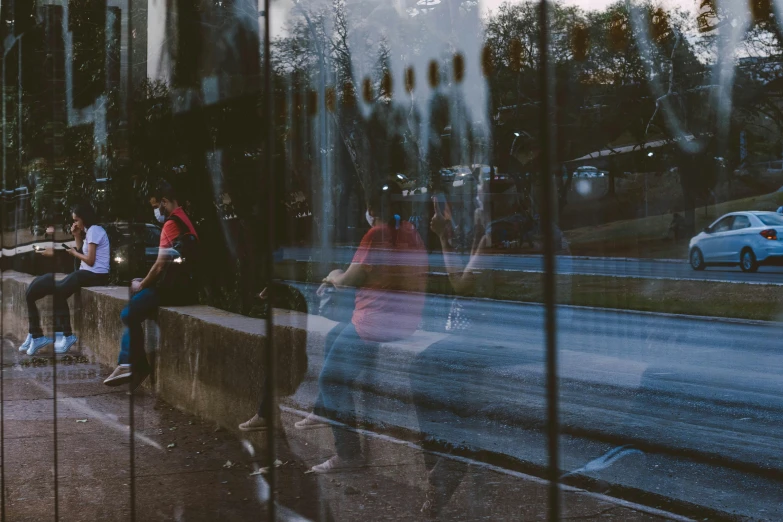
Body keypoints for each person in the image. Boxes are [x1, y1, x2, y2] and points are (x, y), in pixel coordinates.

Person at [308, 179, 428, 474]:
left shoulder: (377, 233)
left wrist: (331, 275)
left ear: (372, 209)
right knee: (334, 336)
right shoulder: (410, 233)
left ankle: (348, 455)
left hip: (376, 323)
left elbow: (350, 279)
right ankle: (323, 409)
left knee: (331, 381)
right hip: (405, 320)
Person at [103, 181, 199, 390]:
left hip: (171, 289)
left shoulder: (171, 224)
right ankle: (135, 366)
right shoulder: (186, 220)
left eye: (156, 206)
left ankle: (129, 363)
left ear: (165, 202)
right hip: (186, 288)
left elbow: (159, 265)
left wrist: (141, 284)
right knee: (137, 307)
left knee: (129, 313)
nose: (156, 211)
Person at [21, 203, 110, 356]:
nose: (75, 223)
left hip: (96, 275)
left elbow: (90, 260)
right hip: (86, 273)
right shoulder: (89, 231)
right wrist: (76, 236)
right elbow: (83, 250)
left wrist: (73, 253)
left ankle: (67, 336)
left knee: (59, 291)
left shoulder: (95, 230)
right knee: (45, 284)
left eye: (76, 220)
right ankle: (35, 333)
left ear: (84, 218)